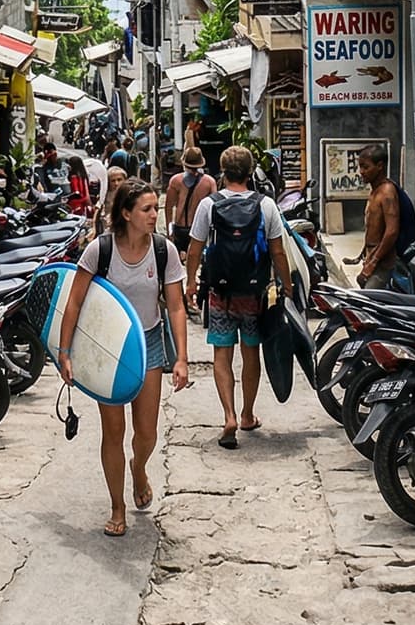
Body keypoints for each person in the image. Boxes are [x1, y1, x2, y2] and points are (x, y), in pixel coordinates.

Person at [55, 178, 189, 536]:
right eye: (146, 209)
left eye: (155, 209)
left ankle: (140, 468)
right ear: (126, 213)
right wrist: (65, 352)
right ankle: (117, 506)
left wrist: (182, 358)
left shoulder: (165, 251)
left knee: (147, 432)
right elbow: (75, 302)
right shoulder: (101, 251)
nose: (154, 215)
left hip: (149, 343)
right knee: (113, 430)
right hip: (107, 347)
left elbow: (175, 306)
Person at [183, 146, 291, 449]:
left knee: (222, 354)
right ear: (250, 171)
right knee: (250, 352)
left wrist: (191, 283)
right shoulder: (266, 205)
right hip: (253, 294)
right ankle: (246, 414)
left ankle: (228, 415)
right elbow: (278, 251)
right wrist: (288, 286)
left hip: (220, 292)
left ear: (222, 171)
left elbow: (195, 248)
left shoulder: (209, 204)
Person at [354, 144, 415, 290]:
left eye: (366, 167)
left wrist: (373, 262)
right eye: (360, 167)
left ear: (380, 166)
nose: (361, 172)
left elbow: (392, 231)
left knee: (368, 300)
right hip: (374, 258)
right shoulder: (375, 191)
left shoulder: (387, 192)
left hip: (385, 262)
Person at [164, 146, 216, 258]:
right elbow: (213, 209)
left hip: (180, 227)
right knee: (196, 263)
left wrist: (169, 233)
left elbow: (168, 208)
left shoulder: (175, 180)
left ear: (184, 163)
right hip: (199, 228)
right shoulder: (209, 182)